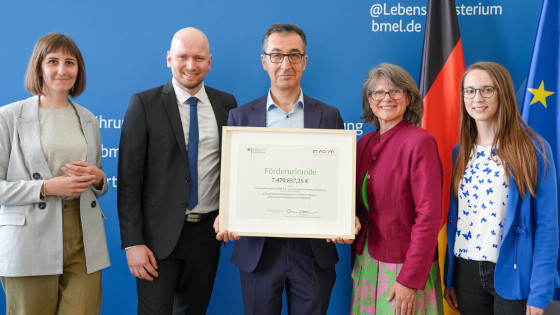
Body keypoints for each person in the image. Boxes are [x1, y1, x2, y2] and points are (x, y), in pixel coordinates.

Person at [214, 23, 359, 315]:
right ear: (264, 60)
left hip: (313, 250)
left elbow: (340, 180)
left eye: (294, 55)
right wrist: (225, 214)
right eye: (277, 55)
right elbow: (231, 181)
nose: (285, 64)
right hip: (259, 250)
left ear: (305, 61)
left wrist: (345, 216)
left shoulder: (329, 116)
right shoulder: (240, 116)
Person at [117, 27, 237, 314]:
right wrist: (132, 243)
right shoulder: (143, 104)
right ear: (169, 58)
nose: (190, 65)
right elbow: (128, 180)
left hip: (208, 236)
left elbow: (235, 170)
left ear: (210, 61)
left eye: (198, 58)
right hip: (156, 239)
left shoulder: (227, 105)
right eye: (183, 57)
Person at [0, 33, 110, 315]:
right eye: (53, 61)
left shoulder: (88, 118)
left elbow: (99, 181)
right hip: (29, 239)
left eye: (70, 62)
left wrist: (97, 177)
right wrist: (46, 187)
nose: (62, 70)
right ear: (39, 67)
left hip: (83, 236)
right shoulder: (8, 117)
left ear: (78, 70)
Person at [444, 62, 559, 315]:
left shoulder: (534, 149)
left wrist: (540, 294)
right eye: (469, 91)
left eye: (487, 90)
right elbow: (459, 218)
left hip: (514, 272)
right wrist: (450, 276)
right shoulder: (460, 152)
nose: (477, 98)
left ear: (503, 93)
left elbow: (547, 227)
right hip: (466, 273)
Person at [351, 63, 444, 315]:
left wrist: (409, 280)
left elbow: (429, 217)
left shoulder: (420, 142)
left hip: (403, 269)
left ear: (409, 98)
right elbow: (356, 203)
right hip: (367, 263)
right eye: (378, 93)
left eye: (395, 91)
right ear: (369, 100)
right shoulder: (363, 143)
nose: (386, 99)